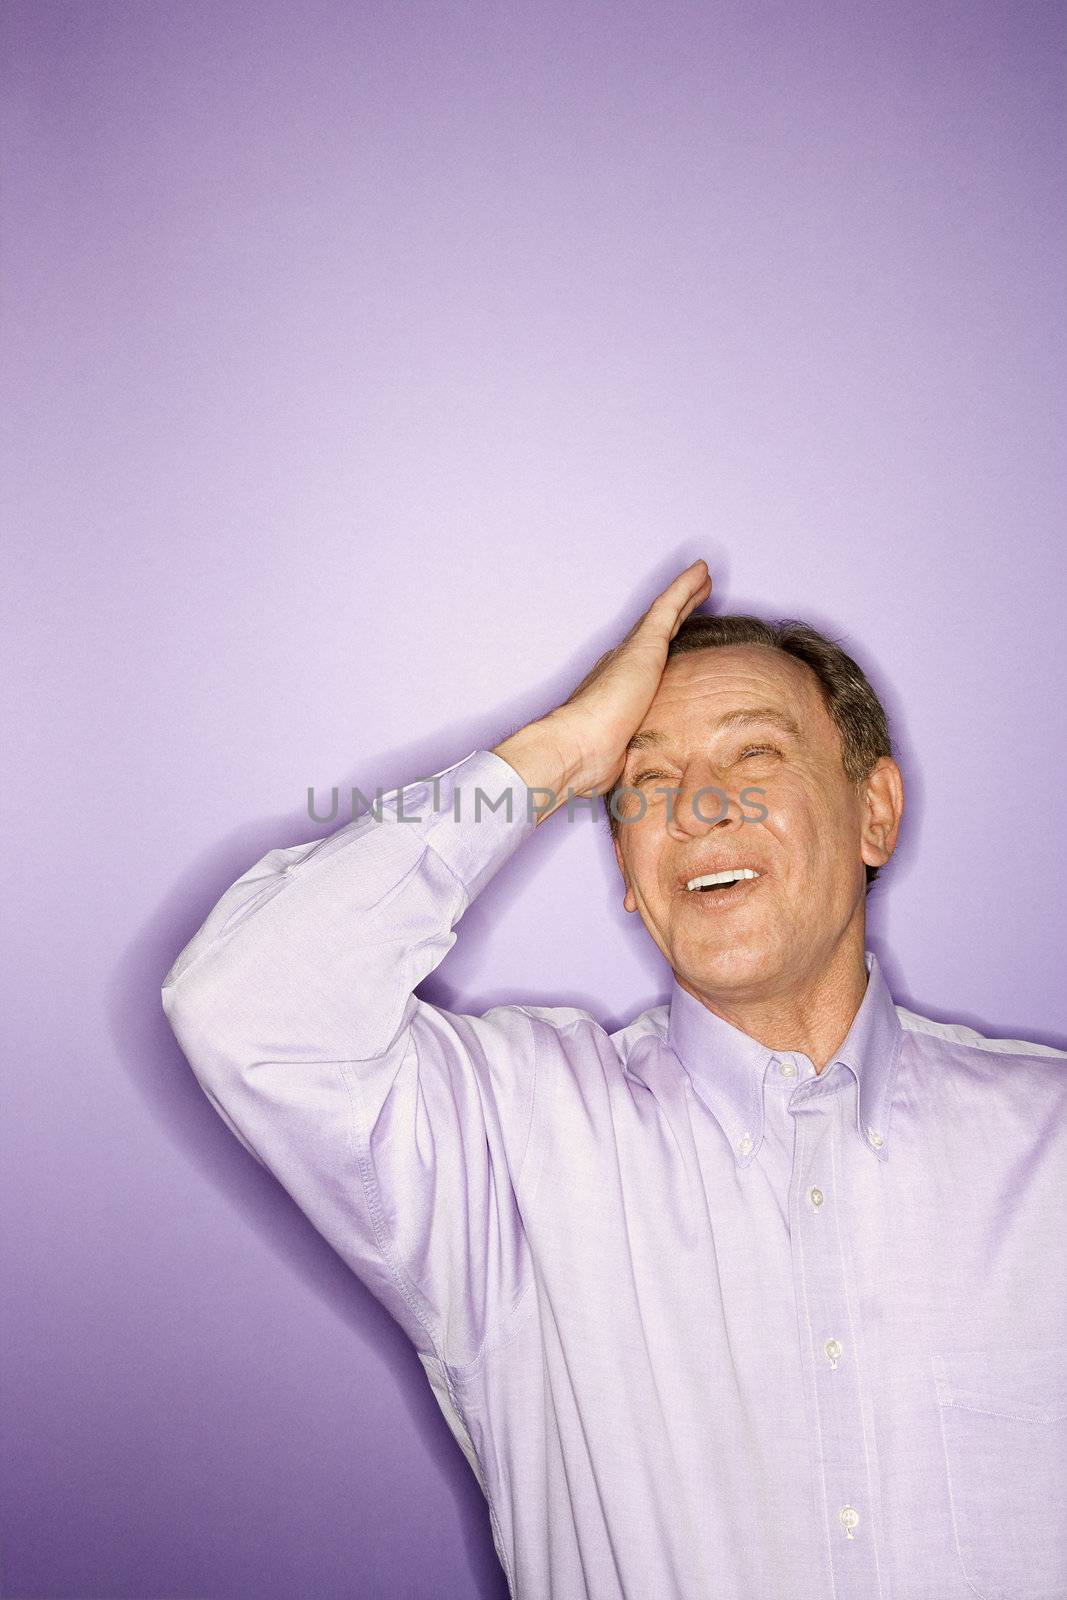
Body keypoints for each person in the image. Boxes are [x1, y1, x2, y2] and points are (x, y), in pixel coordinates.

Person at [161, 561, 1067, 1600]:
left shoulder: (1044, 1142)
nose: (695, 808)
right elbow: (244, 1004)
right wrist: (557, 752)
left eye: (753, 755)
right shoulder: (510, 1144)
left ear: (874, 811)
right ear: (627, 879)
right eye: (642, 781)